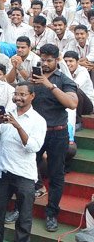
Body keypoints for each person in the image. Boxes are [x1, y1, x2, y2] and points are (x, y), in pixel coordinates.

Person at [0, 81, 46, 242]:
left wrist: (18, 126)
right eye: (16, 94)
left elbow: (33, 147)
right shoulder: (7, 114)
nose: (17, 98)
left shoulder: (38, 120)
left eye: (22, 94)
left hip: (24, 175)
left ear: (32, 96)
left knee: (24, 215)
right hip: (2, 172)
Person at [31, 44, 79, 232]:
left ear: (57, 60)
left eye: (49, 60)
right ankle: (22, 207)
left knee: (56, 175)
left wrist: (48, 85)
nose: (45, 63)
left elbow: (72, 103)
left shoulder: (64, 80)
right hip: (36, 131)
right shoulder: (34, 77)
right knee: (26, 170)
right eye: (43, 59)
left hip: (57, 132)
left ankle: (51, 213)